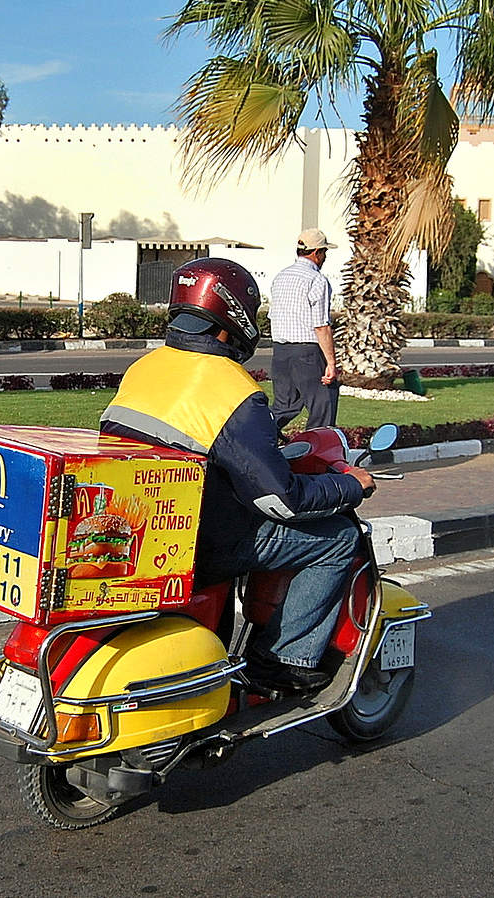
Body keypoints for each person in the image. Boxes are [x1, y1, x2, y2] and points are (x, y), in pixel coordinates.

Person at [100, 258, 375, 695]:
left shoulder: (147, 367)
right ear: (235, 319)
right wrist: (349, 486)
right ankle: (283, 659)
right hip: (203, 539)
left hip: (135, 527)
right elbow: (281, 500)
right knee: (338, 539)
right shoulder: (233, 388)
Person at [268, 228, 340, 430]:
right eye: (324, 252)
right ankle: (317, 452)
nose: (325, 257)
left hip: (281, 351)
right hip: (306, 352)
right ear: (316, 253)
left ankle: (259, 442)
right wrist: (331, 364)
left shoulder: (281, 277)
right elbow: (321, 326)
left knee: (284, 406)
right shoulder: (317, 280)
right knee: (323, 403)